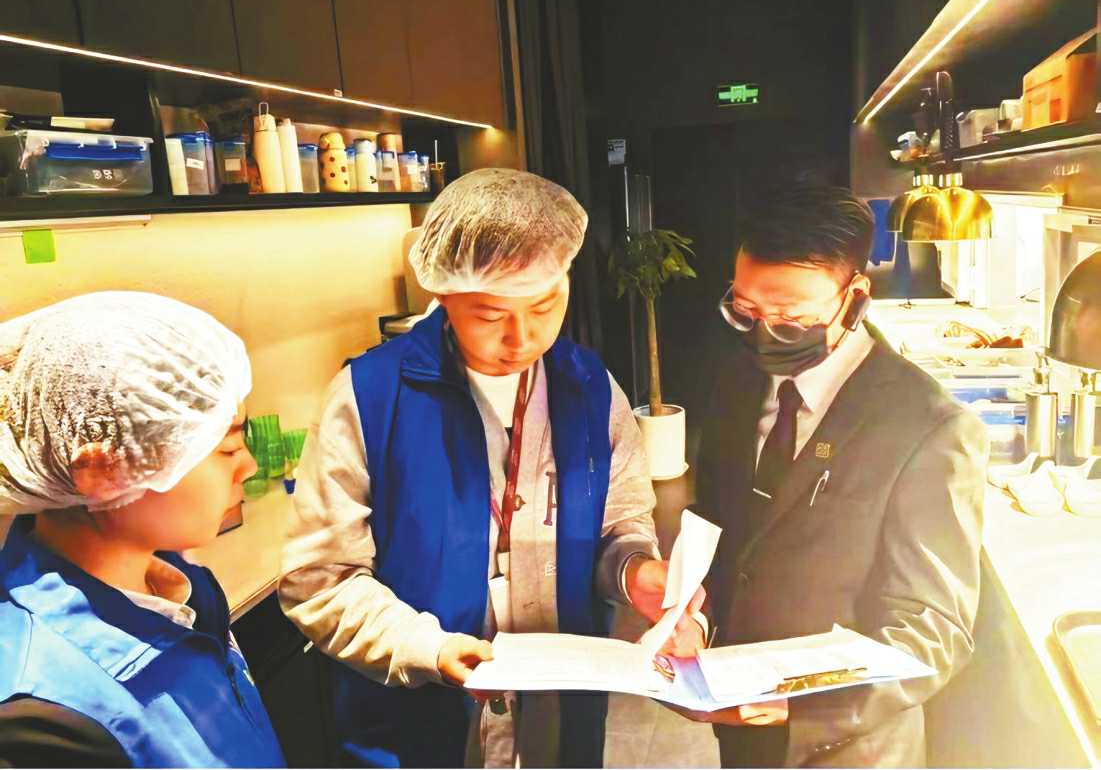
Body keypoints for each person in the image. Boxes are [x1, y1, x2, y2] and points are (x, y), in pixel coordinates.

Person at [279, 168, 704, 768]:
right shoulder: (370, 397)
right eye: (488, 315)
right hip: (420, 724)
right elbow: (320, 580)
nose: (522, 337)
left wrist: (636, 572)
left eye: (545, 305)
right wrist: (425, 647)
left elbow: (619, 525)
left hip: (559, 714)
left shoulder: (588, 388)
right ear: (444, 295)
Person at [683, 185, 987, 767]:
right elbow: (719, 519)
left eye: (791, 318)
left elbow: (933, 629)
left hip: (848, 746)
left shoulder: (929, 427)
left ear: (854, 300)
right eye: (745, 311)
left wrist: (799, 704)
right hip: (739, 720)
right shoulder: (736, 380)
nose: (764, 334)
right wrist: (691, 610)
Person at [0, 292, 286, 769]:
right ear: (103, 471)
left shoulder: (182, 588)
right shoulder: (46, 718)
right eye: (227, 448)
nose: (250, 467)